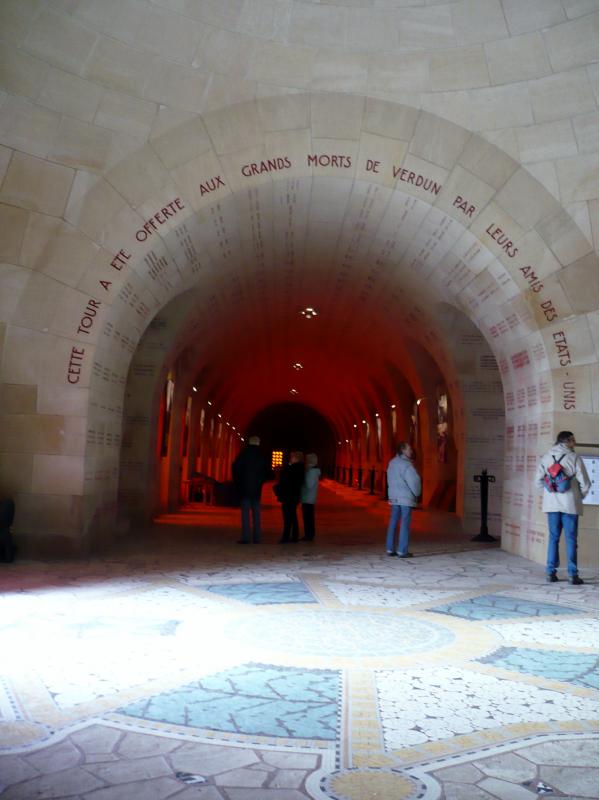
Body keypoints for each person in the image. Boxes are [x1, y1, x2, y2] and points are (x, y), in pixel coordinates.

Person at [535, 431, 591, 584]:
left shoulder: (546, 457)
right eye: (573, 440)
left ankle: (550, 573)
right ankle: (573, 575)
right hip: (570, 504)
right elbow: (585, 483)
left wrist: (550, 492)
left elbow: (537, 481)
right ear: (567, 441)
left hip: (551, 504)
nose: (575, 442)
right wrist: (580, 496)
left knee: (553, 538)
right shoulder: (574, 457)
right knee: (571, 539)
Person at [386, 442, 421, 558]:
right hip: (405, 498)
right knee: (405, 523)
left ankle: (390, 548)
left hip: (394, 497)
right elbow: (414, 482)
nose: (411, 451)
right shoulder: (407, 465)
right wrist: (417, 493)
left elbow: (389, 479)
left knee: (393, 522)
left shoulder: (392, 463)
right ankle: (402, 550)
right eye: (409, 449)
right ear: (403, 450)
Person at [232, 435, 269, 544]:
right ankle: (257, 537)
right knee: (257, 514)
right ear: (258, 443)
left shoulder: (244, 454)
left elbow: (236, 468)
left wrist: (238, 482)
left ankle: (246, 537)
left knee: (245, 514)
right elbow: (266, 471)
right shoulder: (262, 455)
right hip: (257, 490)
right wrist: (261, 481)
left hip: (245, 489)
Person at [276, 451, 304, 543]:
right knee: (293, 516)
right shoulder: (300, 469)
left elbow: (284, 478)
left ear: (296, 458)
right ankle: (294, 536)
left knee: (287, 517)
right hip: (294, 496)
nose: (290, 458)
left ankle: (286, 537)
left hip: (288, 495)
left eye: (292, 457)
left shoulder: (292, 468)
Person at [301, 453, 321, 541]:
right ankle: (310, 534)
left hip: (308, 497)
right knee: (309, 517)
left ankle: (309, 534)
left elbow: (309, 485)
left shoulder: (311, 471)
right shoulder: (313, 471)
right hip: (310, 497)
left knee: (307, 517)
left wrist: (303, 481)